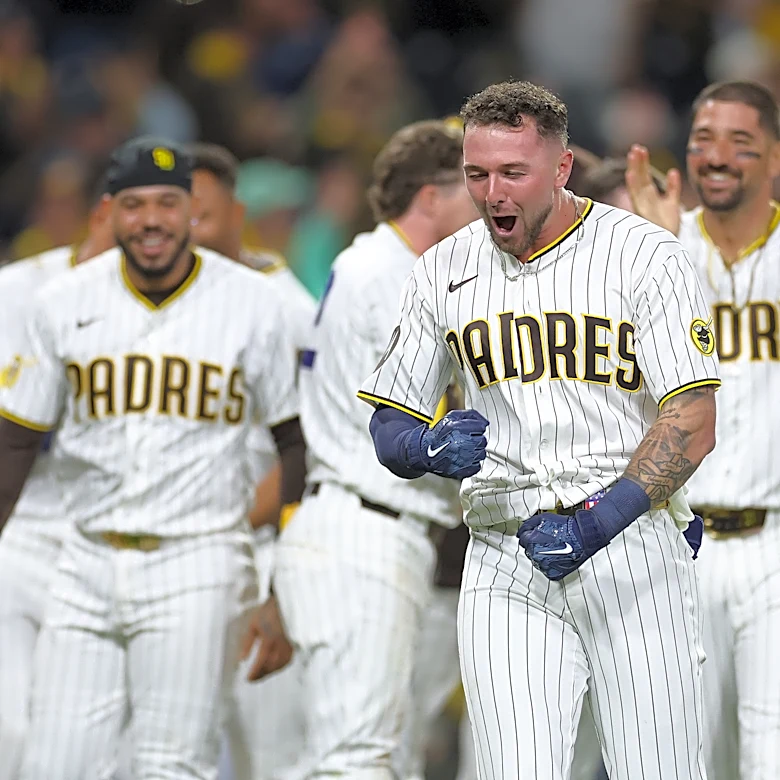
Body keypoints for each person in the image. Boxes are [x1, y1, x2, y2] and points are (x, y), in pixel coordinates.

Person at [360, 80, 719, 780]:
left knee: (660, 770)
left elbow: (692, 420)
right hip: (503, 553)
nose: (493, 192)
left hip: (631, 548)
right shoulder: (444, 268)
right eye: (477, 174)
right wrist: (422, 447)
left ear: (561, 167)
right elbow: (390, 418)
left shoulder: (646, 255)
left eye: (513, 173)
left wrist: (596, 522)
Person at [0, 136, 305, 780]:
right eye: (134, 205)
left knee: (171, 766)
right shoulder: (62, 301)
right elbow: (16, 441)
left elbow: (299, 447)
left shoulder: (257, 304)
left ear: (190, 212)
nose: (151, 221)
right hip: (82, 558)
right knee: (50, 765)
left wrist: (285, 589)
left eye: (167, 203)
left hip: (196, 561)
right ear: (109, 213)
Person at [273, 119, 477, 779]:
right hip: (364, 529)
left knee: (358, 751)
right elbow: (451, 402)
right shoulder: (393, 273)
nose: (483, 206)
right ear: (429, 197)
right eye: (469, 188)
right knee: (358, 759)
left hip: (365, 528)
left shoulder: (370, 263)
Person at [625, 79, 780, 780]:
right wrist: (658, 251)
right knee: (685, 762)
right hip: (677, 545)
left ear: (774, 159)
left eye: (740, 143)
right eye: (703, 141)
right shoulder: (654, 251)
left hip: (773, 543)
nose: (717, 157)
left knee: (768, 754)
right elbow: (621, 387)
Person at [188, 141, 314, 780]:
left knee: (271, 756)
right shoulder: (183, 300)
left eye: (200, 217)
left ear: (237, 214)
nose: (185, 234)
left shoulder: (287, 308)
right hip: (194, 556)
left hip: (261, 547)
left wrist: (231, 527)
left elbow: (310, 444)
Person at [0, 178, 114, 780]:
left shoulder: (149, 308)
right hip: (19, 532)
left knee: (73, 743)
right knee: (10, 729)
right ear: (100, 216)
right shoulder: (18, 291)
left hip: (91, 542)